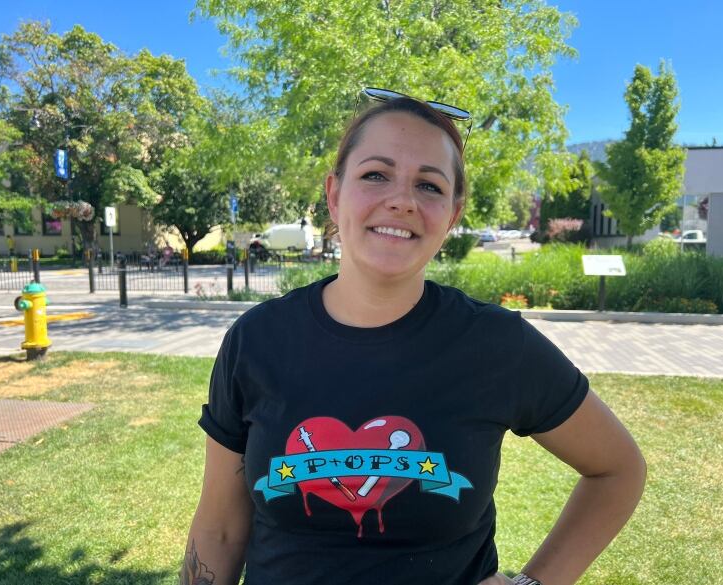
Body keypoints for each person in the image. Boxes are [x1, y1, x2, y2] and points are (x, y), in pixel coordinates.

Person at [181, 91, 647, 585]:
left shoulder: (496, 346)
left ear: (452, 214)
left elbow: (617, 469)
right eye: (375, 175)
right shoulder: (257, 341)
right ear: (335, 194)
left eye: (429, 185)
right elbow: (221, 529)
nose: (402, 200)